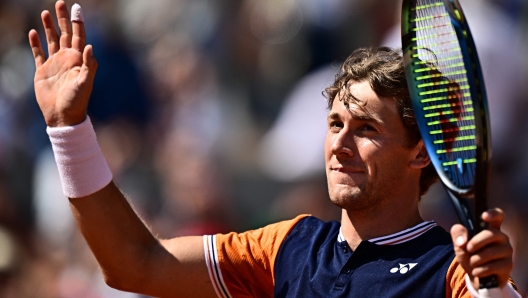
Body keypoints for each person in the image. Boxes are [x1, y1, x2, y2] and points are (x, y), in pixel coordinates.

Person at [28, 2, 518, 297]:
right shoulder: (285, 249)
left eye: (365, 128)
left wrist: (491, 287)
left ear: (419, 153)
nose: (339, 145)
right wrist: (68, 128)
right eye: (334, 123)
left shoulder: (453, 270)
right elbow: (133, 263)